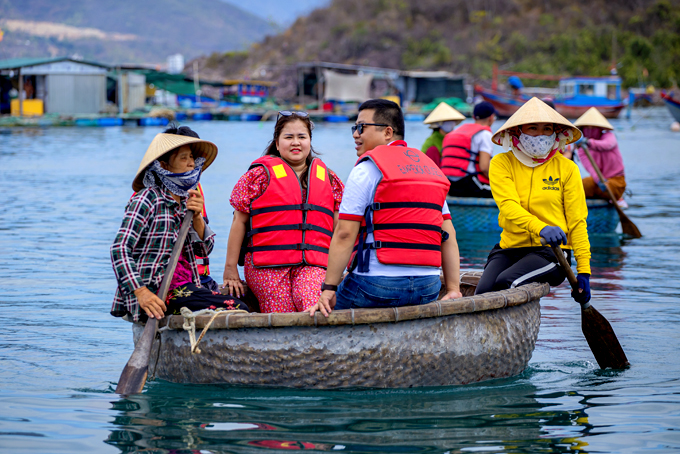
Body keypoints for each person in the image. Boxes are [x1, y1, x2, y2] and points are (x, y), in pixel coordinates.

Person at [308, 99, 463, 317]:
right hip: (427, 287)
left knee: (327, 312)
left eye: (361, 127)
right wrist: (454, 289)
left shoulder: (367, 168)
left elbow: (344, 234)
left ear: (388, 132)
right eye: (355, 128)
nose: (355, 134)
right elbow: (449, 235)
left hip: (375, 286)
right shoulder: (431, 169)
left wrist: (329, 289)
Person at [111, 128, 247, 323]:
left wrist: (197, 216)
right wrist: (141, 293)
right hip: (156, 289)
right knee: (237, 308)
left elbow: (204, 250)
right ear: (164, 165)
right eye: (183, 158)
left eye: (192, 157)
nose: (191, 163)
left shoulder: (187, 200)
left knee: (240, 302)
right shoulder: (147, 198)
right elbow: (119, 249)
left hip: (183, 284)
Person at [222, 111, 344, 313]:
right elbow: (239, 223)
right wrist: (230, 268)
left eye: (301, 137)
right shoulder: (258, 176)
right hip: (266, 265)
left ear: (309, 142)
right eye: (289, 137)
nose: (296, 142)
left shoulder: (329, 180)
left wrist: (341, 270)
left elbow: (341, 231)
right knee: (281, 309)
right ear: (277, 144)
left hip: (312, 264)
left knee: (313, 302)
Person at [475, 97, 591, 305]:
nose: (540, 134)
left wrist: (584, 271)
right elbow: (508, 207)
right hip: (509, 247)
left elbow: (577, 221)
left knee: (506, 283)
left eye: (547, 129)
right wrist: (541, 227)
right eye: (533, 128)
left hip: (551, 253)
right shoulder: (501, 163)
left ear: (556, 133)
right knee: (482, 293)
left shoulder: (567, 168)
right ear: (518, 131)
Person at [440, 101, 497, 198]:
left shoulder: (456, 131)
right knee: (502, 194)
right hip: (469, 184)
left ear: (474, 117)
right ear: (491, 117)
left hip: (449, 185)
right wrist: (498, 181)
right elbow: (484, 167)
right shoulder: (485, 134)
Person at [574, 107, 627, 201]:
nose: (590, 130)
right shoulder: (582, 149)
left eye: (593, 128)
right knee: (580, 185)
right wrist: (599, 180)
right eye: (587, 128)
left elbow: (607, 145)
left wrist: (589, 142)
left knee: (609, 187)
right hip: (598, 181)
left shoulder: (609, 136)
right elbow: (590, 168)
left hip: (616, 181)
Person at [420, 102, 466, 167]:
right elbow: (422, 158)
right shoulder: (432, 140)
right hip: (436, 171)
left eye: (452, 121)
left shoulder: (455, 138)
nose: (451, 124)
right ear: (439, 124)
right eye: (447, 122)